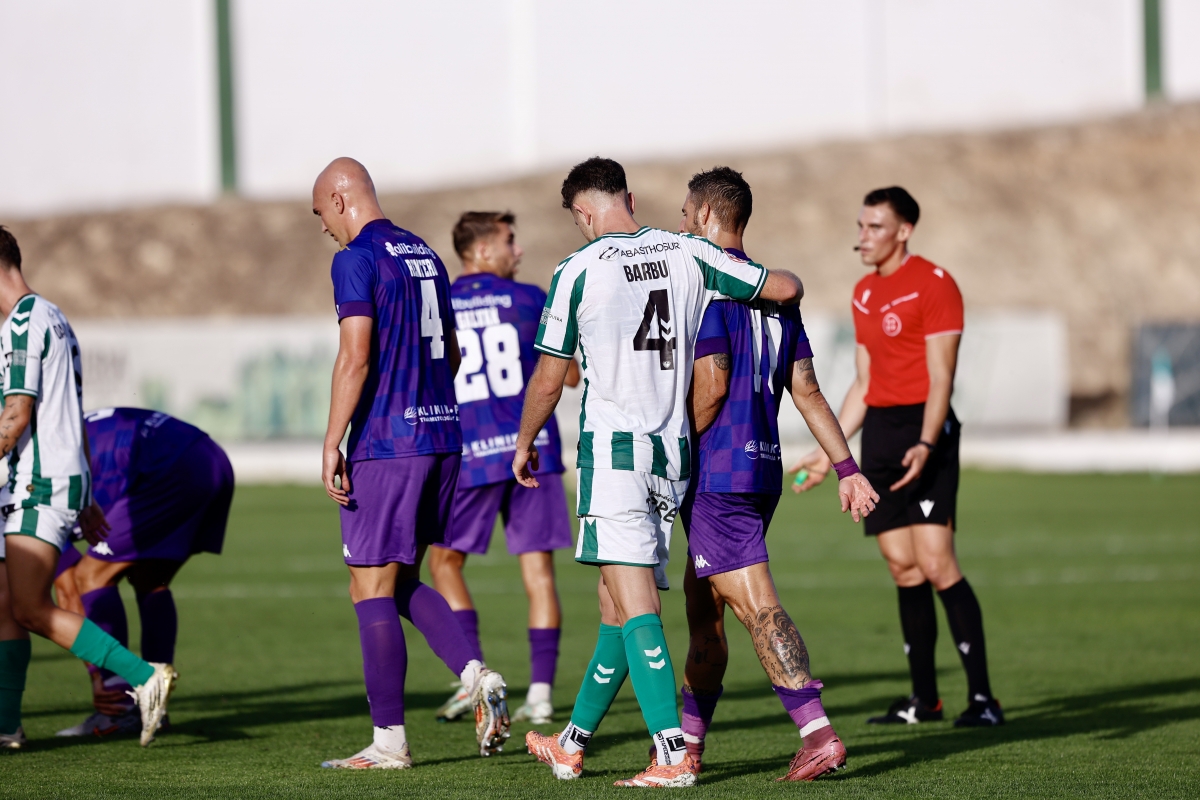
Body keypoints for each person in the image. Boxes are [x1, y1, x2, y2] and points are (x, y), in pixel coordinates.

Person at [517, 157, 803, 787]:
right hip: (672, 460)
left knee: (636, 604)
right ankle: (572, 742)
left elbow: (548, 376)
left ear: (584, 212)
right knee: (616, 604)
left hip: (615, 455)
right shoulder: (684, 251)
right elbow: (777, 287)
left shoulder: (576, 269)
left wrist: (524, 441)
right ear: (632, 198)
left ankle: (671, 753)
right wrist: (792, 283)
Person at [674, 167, 878, 780]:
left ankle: (817, 733)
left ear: (708, 216)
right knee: (702, 609)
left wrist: (677, 443)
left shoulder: (714, 292)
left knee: (757, 606)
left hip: (717, 471)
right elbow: (809, 391)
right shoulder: (774, 298)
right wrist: (845, 466)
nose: (682, 222)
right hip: (761, 469)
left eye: (687, 213)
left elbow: (708, 391)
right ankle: (688, 746)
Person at [313, 158, 510, 770]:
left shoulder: (356, 258)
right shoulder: (424, 252)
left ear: (342, 200)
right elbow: (449, 350)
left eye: (323, 215)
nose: (326, 229)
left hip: (388, 444)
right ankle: (476, 675)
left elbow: (355, 357)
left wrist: (331, 441)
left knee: (369, 586)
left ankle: (389, 742)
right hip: (441, 438)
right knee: (398, 581)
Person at [790, 187, 1003, 727]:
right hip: (881, 433)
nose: (862, 237)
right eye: (860, 226)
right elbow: (864, 382)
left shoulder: (935, 285)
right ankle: (924, 701)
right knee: (903, 568)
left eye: (874, 227)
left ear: (904, 231)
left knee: (936, 563)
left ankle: (982, 700)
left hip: (923, 428)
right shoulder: (863, 292)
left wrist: (928, 442)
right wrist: (828, 456)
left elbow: (942, 378)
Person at [0, 226, 175, 750]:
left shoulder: (25, 322)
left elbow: (17, 416)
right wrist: (86, 494)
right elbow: (61, 414)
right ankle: (7, 725)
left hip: (35, 485)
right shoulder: (49, 316)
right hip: (44, 481)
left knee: (29, 607)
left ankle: (144, 677)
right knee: (6, 606)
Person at [430, 212, 579, 726]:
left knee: (444, 564)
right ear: (481, 251)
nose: (518, 251)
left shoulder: (440, 301)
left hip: (469, 453)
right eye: (509, 242)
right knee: (538, 575)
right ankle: (540, 695)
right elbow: (572, 374)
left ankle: (473, 677)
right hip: (530, 449)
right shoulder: (531, 298)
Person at [51, 407, 233, 738]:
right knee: (150, 579)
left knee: (90, 577)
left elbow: (68, 590)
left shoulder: (26, 497)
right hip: (210, 457)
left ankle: (119, 706)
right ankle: (155, 708)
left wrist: (97, 675)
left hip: (170, 468)